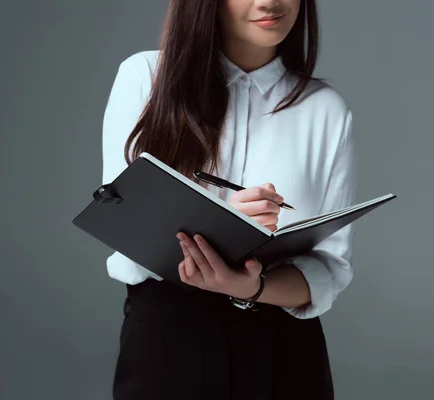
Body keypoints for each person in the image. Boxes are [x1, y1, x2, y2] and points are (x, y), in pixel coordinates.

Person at [102, 0, 357, 399]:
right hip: (169, 342)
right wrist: (220, 228)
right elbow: (122, 225)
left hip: (283, 351)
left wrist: (250, 287)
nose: (269, 2)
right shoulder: (145, 77)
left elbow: (327, 269)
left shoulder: (324, 108)